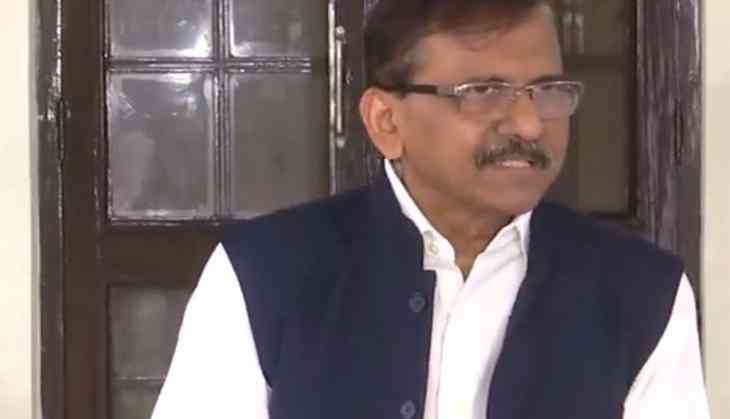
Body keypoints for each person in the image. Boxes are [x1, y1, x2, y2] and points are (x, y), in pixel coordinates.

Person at [151, 1, 710, 418]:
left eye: (547, 91)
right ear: (386, 121)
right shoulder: (264, 273)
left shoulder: (642, 291)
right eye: (484, 91)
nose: (529, 124)